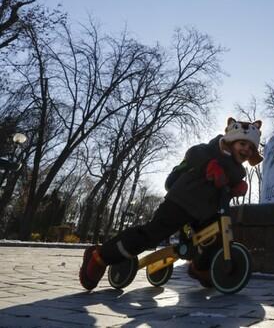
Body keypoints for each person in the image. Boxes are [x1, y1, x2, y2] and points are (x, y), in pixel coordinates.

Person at [79, 118, 263, 290]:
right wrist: (209, 165)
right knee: (152, 234)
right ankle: (100, 256)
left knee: (215, 236)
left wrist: (237, 187)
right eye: (242, 144)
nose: (246, 150)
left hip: (205, 211)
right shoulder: (211, 150)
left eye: (250, 148)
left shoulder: (238, 171)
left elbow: (224, 191)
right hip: (181, 201)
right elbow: (193, 154)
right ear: (231, 141)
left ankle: (202, 267)